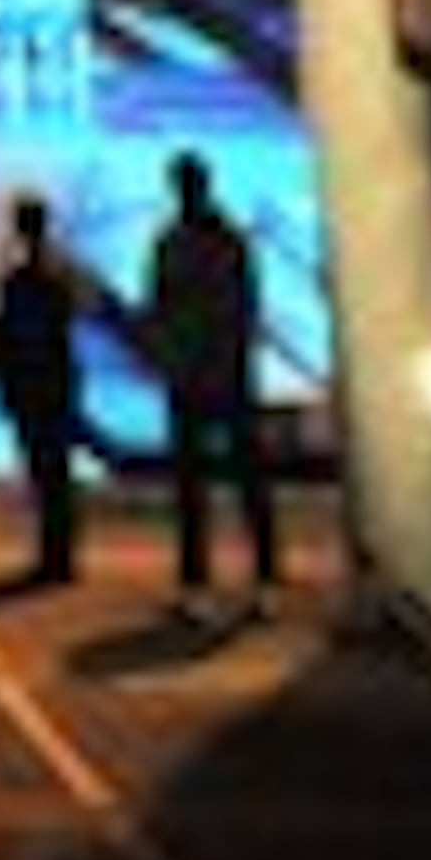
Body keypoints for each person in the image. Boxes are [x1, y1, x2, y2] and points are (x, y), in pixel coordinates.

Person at [140, 153, 276, 615]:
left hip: (205, 371)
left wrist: (170, 353)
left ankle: (226, 576)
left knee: (212, 481)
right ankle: (238, 575)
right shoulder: (219, 241)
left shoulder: (181, 242)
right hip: (214, 371)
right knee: (226, 480)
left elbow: (163, 303)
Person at [0, 197, 94, 589]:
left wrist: (4, 383)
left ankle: (55, 554)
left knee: (44, 469)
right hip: (56, 379)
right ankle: (60, 553)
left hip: (35, 381)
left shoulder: (19, 278)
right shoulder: (60, 273)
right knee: (55, 471)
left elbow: (8, 337)